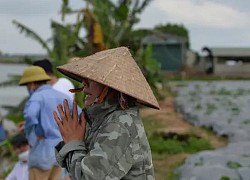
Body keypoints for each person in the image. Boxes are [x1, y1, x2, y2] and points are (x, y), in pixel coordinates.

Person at [53, 47, 160, 179]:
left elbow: (88, 177)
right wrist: (72, 141)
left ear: (109, 87)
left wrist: (73, 142)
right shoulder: (100, 118)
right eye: (84, 79)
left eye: (91, 79)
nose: (84, 85)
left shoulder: (120, 124)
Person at [19, 66, 74, 180]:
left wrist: (31, 138)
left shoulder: (36, 97)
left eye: (27, 85)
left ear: (32, 84)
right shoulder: (63, 96)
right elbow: (78, 116)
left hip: (42, 150)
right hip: (61, 150)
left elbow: (30, 115)